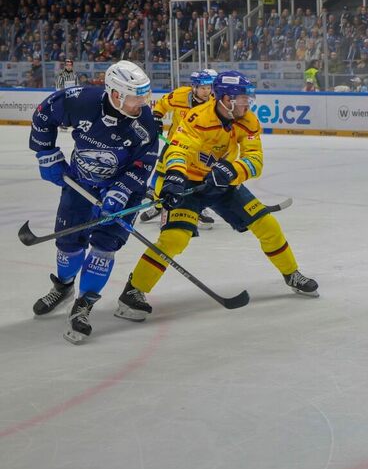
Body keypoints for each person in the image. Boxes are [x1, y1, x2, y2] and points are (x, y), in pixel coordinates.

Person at [114, 71, 318, 322]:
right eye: (241, 98)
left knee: (268, 225)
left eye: (246, 98)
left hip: (222, 182)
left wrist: (234, 170)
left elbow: (256, 161)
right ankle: (133, 292)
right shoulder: (197, 118)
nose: (246, 103)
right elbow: (178, 149)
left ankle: (292, 274)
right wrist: (175, 178)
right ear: (224, 98)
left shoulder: (248, 121)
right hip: (189, 181)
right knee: (174, 239)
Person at [29, 60, 159, 343]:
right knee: (67, 244)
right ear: (115, 94)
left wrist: (121, 191)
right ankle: (63, 286)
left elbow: (145, 163)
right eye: (137, 97)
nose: (143, 103)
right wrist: (46, 153)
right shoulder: (81, 101)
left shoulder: (145, 122)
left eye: (144, 96)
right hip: (80, 182)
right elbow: (43, 114)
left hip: (122, 191)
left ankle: (84, 305)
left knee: (104, 247)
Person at [141, 69, 218, 228]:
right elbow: (161, 104)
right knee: (164, 176)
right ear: (194, 87)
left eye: (209, 87)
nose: (207, 91)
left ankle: (198, 209)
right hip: (174, 145)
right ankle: (159, 205)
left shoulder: (213, 103)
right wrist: (156, 118)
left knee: (198, 179)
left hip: (198, 149)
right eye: (203, 88)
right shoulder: (179, 95)